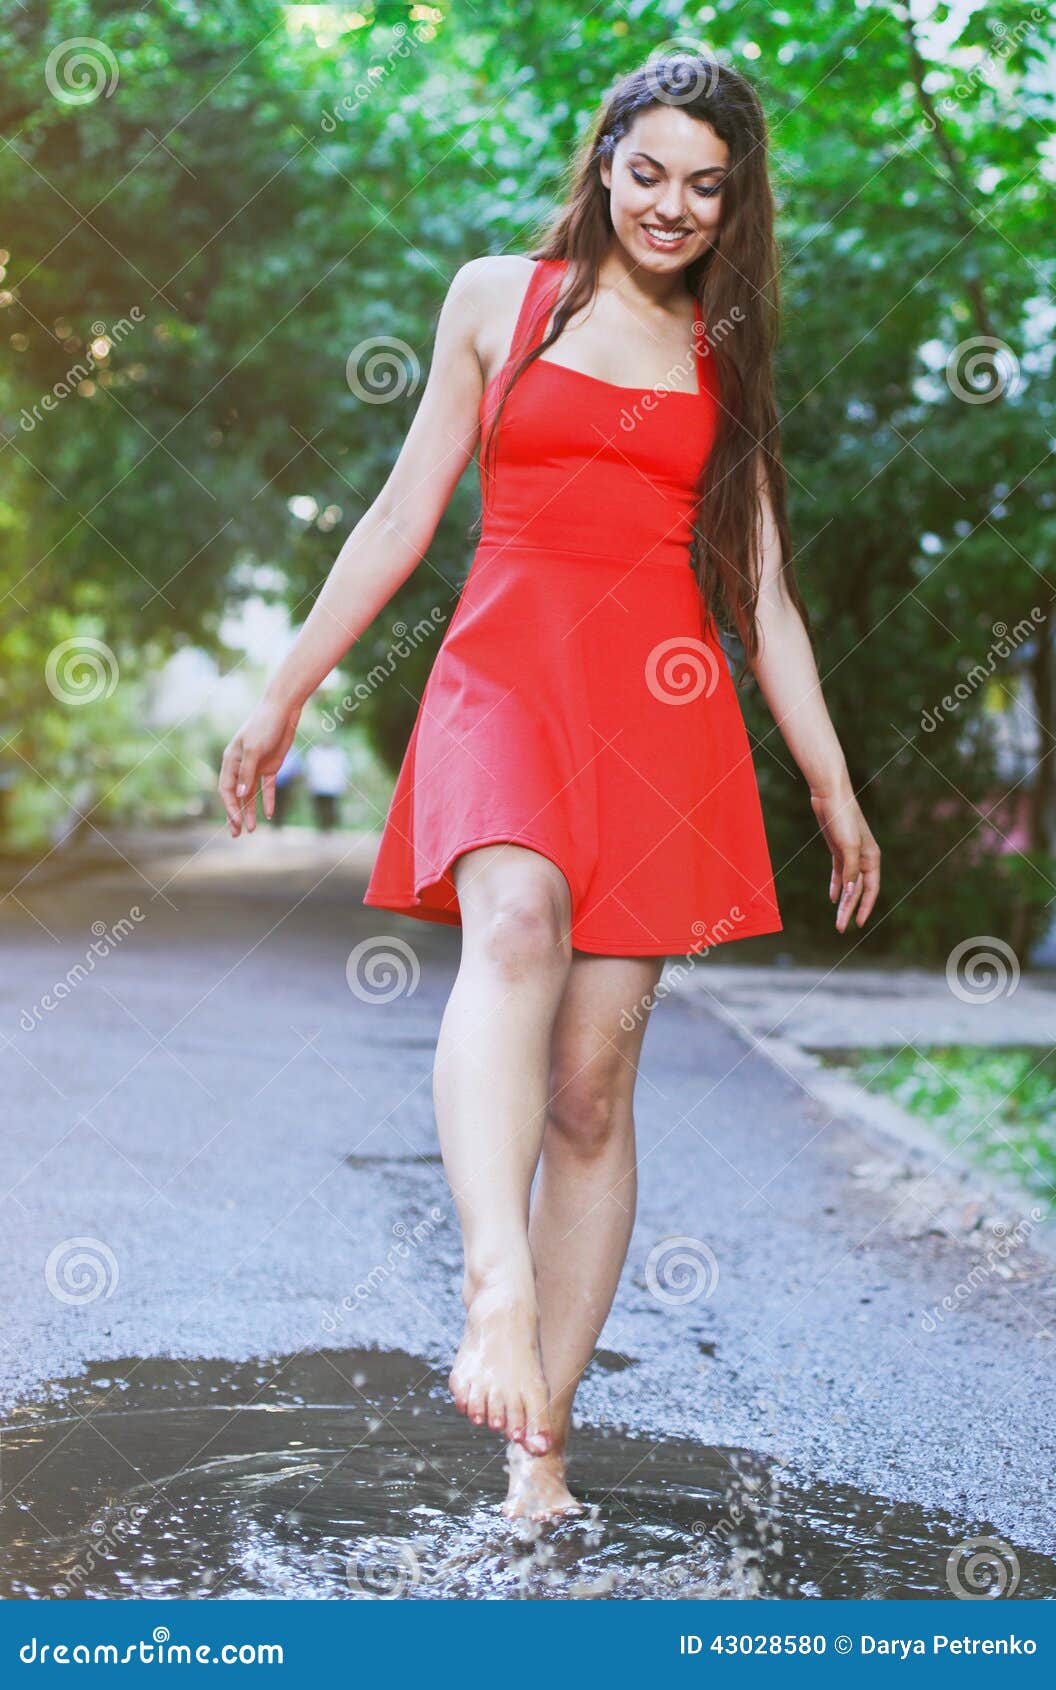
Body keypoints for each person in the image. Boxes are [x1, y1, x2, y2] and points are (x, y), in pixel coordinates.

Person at [218, 53, 881, 1522]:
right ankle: (490, 1284)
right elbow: (404, 509)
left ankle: (543, 1451)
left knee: (590, 1090)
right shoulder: (492, 298)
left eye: (705, 187)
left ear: (733, 202)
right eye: (647, 171)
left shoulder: (727, 342)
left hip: (662, 708)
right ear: (600, 161)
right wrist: (284, 689)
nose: (671, 206)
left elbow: (762, 589)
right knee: (511, 926)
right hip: (508, 671)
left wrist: (832, 784)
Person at [305, 739, 348, 832]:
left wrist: (342, 785)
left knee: (330, 808)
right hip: (318, 786)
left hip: (333, 787)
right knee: (319, 808)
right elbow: (310, 769)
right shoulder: (314, 752)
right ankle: (320, 827)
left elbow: (343, 770)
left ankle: (328, 828)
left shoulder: (339, 754)